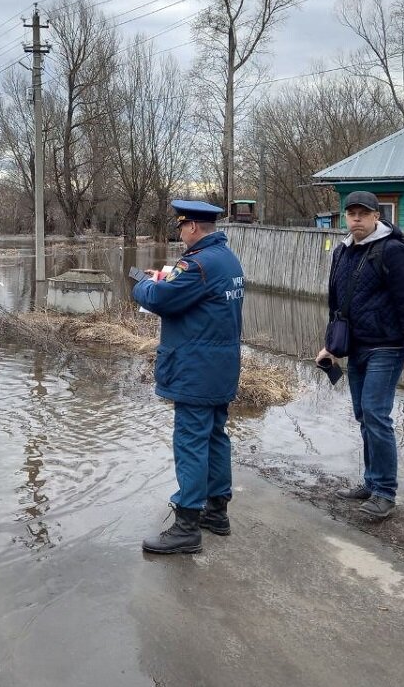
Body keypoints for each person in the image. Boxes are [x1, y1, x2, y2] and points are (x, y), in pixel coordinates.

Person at [132, 200, 245, 554]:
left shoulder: (196, 264)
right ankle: (216, 512)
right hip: (221, 365)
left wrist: (143, 284)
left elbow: (162, 299)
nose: (180, 234)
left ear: (193, 227)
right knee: (214, 436)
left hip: (195, 367)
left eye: (181, 227)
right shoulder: (228, 259)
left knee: (190, 441)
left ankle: (186, 526)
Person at [316, 191, 404, 520]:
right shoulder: (342, 251)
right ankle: (371, 481)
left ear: (377, 216)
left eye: (364, 213)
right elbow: (337, 305)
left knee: (377, 415)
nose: (357, 219)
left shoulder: (393, 251)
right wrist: (331, 346)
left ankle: (385, 492)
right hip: (357, 347)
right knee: (364, 415)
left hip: (388, 347)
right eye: (351, 213)